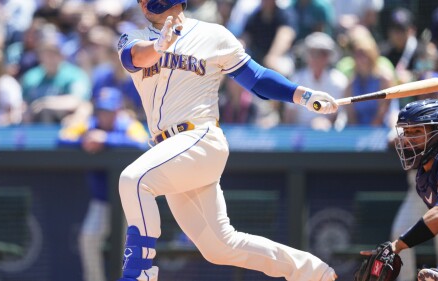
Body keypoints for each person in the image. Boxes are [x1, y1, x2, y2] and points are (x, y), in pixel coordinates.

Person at [116, 1, 339, 280]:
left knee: (134, 180)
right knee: (219, 246)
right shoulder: (134, 36)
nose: (143, 3)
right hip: (169, 152)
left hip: (199, 138)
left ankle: (139, 274)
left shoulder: (213, 35)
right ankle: (313, 272)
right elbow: (135, 57)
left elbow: (256, 78)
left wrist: (302, 95)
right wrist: (159, 46)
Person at [362, 99, 438, 281]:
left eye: (416, 132)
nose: (408, 139)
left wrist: (397, 245)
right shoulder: (423, 177)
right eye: (406, 132)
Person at [57, 87, 149, 281]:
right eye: (101, 111)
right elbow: (62, 138)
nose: (103, 116)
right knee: (88, 238)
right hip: (103, 202)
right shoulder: (89, 125)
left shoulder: (128, 125)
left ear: (118, 110)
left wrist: (107, 139)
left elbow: (143, 143)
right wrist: (84, 141)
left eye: (108, 111)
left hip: (131, 202)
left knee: (131, 247)